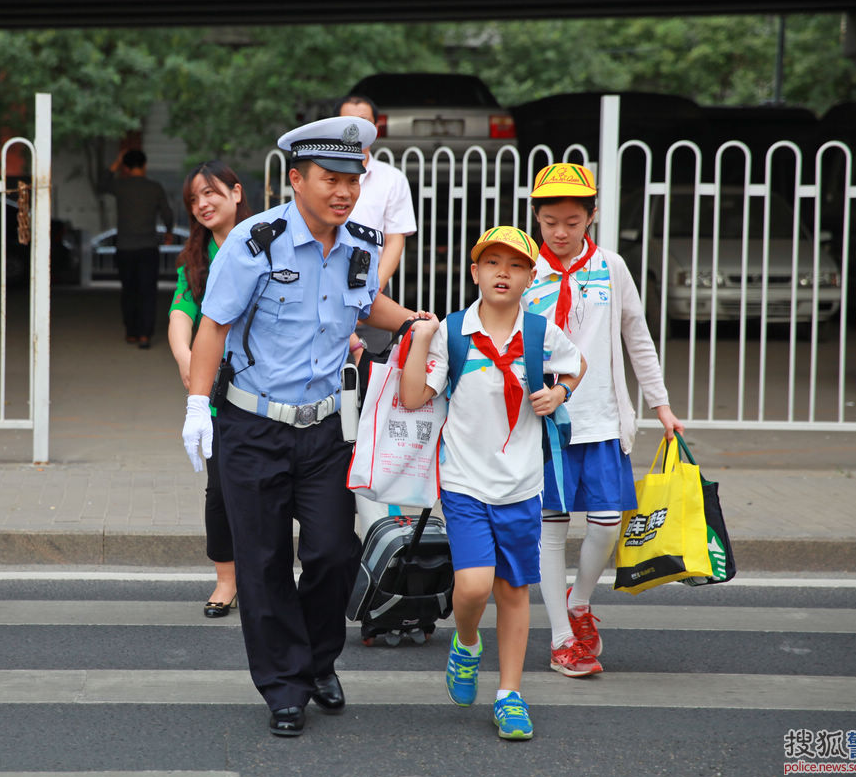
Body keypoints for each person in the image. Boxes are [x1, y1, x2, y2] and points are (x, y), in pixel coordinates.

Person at [181, 116, 432, 737]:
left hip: (325, 430)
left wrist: (416, 323)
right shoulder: (253, 242)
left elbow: (363, 302)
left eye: (353, 178)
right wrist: (195, 406)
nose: (344, 191)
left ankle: (318, 660)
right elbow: (212, 324)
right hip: (252, 427)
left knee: (333, 553)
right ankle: (284, 686)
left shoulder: (362, 242)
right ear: (296, 180)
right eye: (330, 178)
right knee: (263, 563)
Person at [398, 225, 585, 740]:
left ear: (530, 276)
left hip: (522, 485)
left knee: (513, 590)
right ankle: (465, 643)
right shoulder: (454, 332)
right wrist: (419, 339)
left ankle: (509, 695)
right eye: (492, 262)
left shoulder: (541, 332)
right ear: (475, 272)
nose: (503, 272)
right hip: (463, 482)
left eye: (516, 264)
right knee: (474, 586)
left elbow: (577, 365)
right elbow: (414, 396)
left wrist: (560, 393)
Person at [523, 162, 683, 676]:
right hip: (545, 424)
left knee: (607, 526)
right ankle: (562, 638)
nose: (561, 232)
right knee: (550, 531)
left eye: (572, 220)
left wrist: (659, 404)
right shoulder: (525, 271)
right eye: (550, 222)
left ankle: (579, 599)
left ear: (592, 215)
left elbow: (637, 335)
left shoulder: (611, 267)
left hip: (603, 421)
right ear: (537, 219)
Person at [166, 160, 253, 618]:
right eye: (194, 198)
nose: (202, 204)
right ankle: (226, 580)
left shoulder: (264, 243)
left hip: (267, 388)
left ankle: (266, 578)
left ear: (237, 193)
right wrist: (186, 357)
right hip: (218, 392)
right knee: (219, 490)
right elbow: (181, 312)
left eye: (211, 193)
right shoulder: (195, 260)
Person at [337, 94, 422, 533]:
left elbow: (395, 240)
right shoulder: (327, 176)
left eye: (362, 123)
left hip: (373, 306)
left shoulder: (390, 180)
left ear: (376, 129)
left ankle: (377, 511)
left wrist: (373, 290)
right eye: (345, 122)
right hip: (328, 306)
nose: (353, 130)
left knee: (372, 397)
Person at [97, 147, 174, 349]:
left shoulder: (120, 185)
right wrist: (169, 231)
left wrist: (116, 163)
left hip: (125, 248)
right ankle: (144, 336)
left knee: (129, 291)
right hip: (148, 248)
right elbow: (167, 212)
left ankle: (131, 332)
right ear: (145, 165)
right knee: (148, 292)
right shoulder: (154, 187)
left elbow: (101, 184)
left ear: (126, 167)